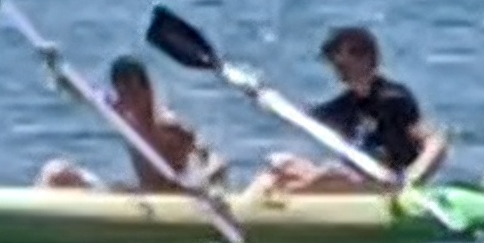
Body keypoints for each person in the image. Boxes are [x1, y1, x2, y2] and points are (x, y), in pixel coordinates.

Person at [269, 24, 449, 193]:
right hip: (353, 179)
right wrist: (271, 101)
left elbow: (436, 142)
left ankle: (280, 201)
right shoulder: (346, 104)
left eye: (342, 63)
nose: (337, 69)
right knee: (281, 165)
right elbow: (305, 118)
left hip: (385, 185)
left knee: (335, 174)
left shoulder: (393, 99)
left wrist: (411, 180)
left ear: (367, 59)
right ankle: (262, 204)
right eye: (334, 63)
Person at [39, 53, 228, 194]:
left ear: (148, 90)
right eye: (123, 93)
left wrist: (204, 181)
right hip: (143, 196)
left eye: (134, 93)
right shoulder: (122, 113)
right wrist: (54, 68)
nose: (128, 100)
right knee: (55, 173)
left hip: (174, 201)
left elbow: (216, 162)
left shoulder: (168, 125)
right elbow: (81, 92)